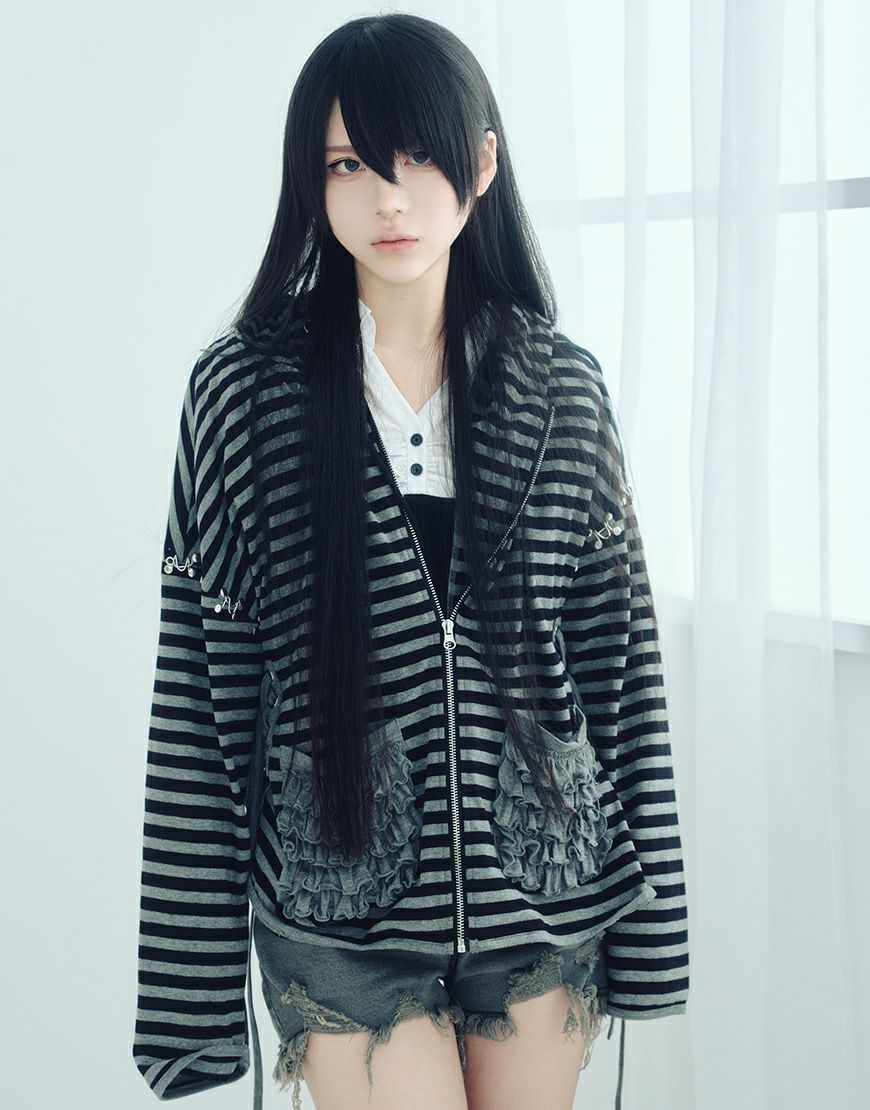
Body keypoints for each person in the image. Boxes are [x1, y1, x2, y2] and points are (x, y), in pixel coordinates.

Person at [131, 12, 689, 1110]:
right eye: (349, 164)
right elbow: (201, 700)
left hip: (545, 895)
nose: (388, 198)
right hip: (339, 909)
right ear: (311, 179)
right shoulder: (242, 394)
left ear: (481, 164)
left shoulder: (562, 388)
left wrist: (652, 938)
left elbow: (622, 667)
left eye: (419, 157)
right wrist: (188, 1003)